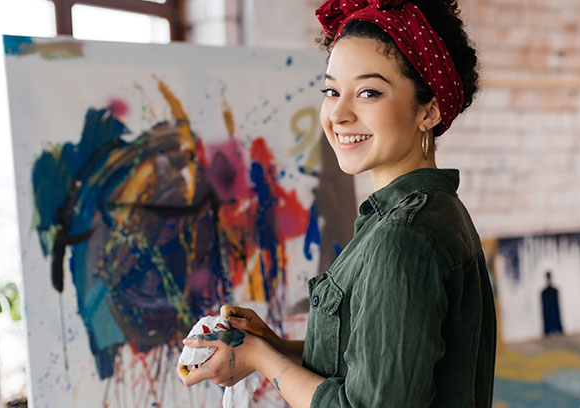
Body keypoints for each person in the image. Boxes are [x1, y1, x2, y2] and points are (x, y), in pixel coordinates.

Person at [178, 0, 497, 406]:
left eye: (368, 92)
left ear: (429, 109)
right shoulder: (433, 210)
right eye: (331, 91)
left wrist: (259, 357)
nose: (339, 114)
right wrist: (271, 345)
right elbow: (370, 364)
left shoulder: (401, 238)